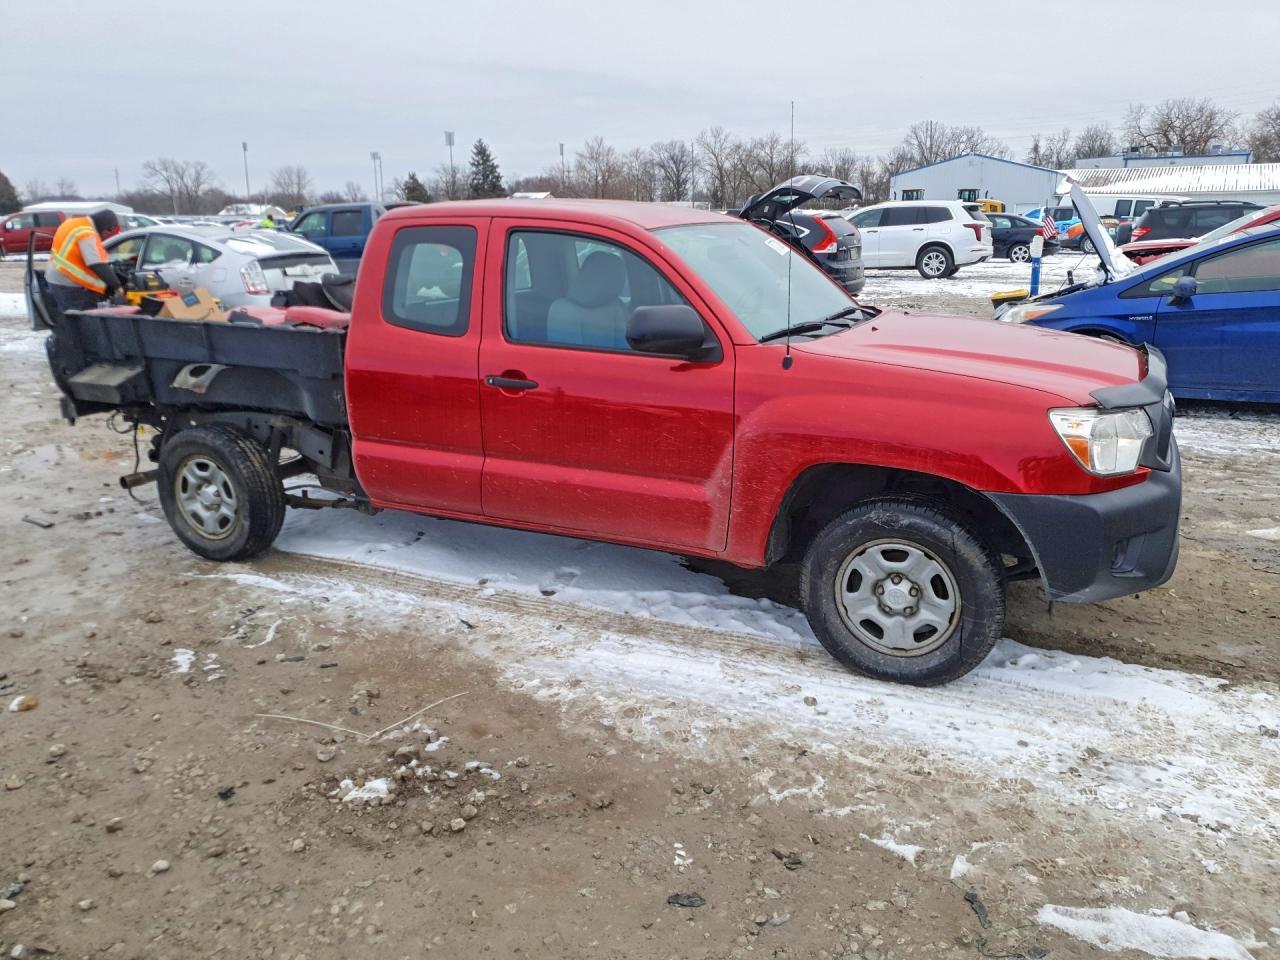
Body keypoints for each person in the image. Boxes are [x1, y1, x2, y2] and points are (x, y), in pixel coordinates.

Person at [45, 209, 123, 316]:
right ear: (104, 225)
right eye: (108, 230)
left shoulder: (73, 223)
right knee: (83, 322)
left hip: (57, 278)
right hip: (71, 286)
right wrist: (117, 286)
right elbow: (97, 264)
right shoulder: (87, 233)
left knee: (69, 319)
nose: (106, 233)